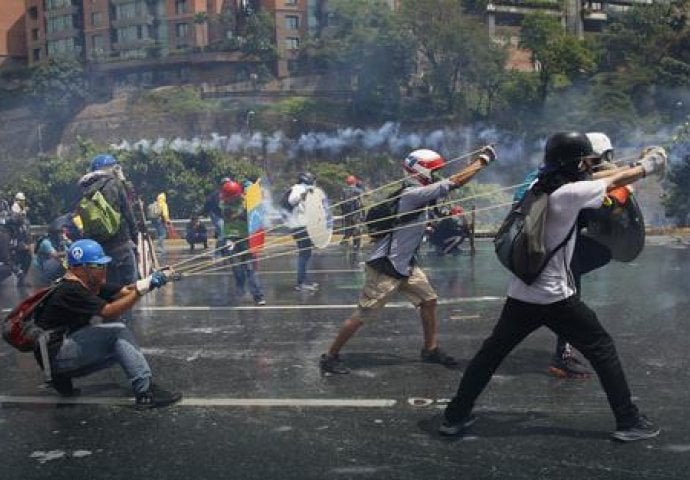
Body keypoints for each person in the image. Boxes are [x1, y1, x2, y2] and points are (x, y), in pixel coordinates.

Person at [440, 132, 665, 442]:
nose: (590, 165)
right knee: (602, 348)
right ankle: (628, 420)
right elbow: (616, 181)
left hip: (521, 291)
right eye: (585, 160)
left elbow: (599, 175)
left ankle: (454, 416)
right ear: (575, 163)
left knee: (490, 355)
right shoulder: (571, 194)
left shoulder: (538, 186)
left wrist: (624, 165)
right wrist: (648, 164)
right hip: (554, 297)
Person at [319, 146, 496, 374]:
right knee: (365, 314)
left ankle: (430, 349)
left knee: (429, 300)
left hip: (406, 265)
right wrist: (482, 161)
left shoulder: (419, 193)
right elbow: (454, 182)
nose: (436, 175)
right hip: (386, 266)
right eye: (434, 171)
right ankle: (330, 356)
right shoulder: (412, 193)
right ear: (421, 170)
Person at [34, 239, 181, 408]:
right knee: (117, 332)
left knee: (120, 347)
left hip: (57, 356)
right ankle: (145, 393)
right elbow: (109, 311)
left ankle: (63, 383)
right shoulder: (71, 290)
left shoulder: (86, 283)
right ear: (83, 268)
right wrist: (142, 290)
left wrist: (151, 281)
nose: (104, 269)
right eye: (99, 266)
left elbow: (124, 291)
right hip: (57, 358)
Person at [78, 154, 139, 325]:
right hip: (120, 243)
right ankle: (125, 326)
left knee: (109, 288)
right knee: (128, 288)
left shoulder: (87, 188)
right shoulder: (115, 183)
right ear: (113, 168)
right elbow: (127, 212)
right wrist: (134, 236)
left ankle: (110, 323)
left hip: (100, 248)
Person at [219, 180, 266, 305]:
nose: (227, 199)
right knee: (237, 269)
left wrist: (254, 196)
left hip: (246, 238)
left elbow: (256, 213)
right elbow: (231, 215)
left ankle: (258, 295)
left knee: (249, 268)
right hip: (231, 239)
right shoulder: (224, 205)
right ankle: (240, 293)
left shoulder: (246, 201)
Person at [285, 172, 320, 291]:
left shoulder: (305, 189)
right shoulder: (298, 188)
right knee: (304, 255)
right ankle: (301, 282)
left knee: (306, 254)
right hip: (300, 226)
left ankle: (304, 280)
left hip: (303, 225)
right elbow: (292, 200)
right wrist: (304, 193)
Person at [33, 217, 69, 285]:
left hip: (50, 267)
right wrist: (69, 252)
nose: (62, 235)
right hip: (41, 269)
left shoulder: (60, 242)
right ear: (54, 233)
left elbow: (68, 250)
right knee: (60, 262)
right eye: (61, 233)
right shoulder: (46, 242)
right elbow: (55, 255)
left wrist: (67, 241)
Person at [8, 192, 32, 286]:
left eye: (23, 200)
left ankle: (22, 278)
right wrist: (22, 213)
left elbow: (26, 229)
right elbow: (15, 221)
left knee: (28, 258)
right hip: (14, 241)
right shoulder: (14, 209)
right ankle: (19, 273)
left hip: (22, 241)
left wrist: (28, 242)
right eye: (20, 200)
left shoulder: (22, 212)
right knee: (11, 260)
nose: (22, 202)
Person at [340, 175, 364, 249]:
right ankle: (356, 246)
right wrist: (363, 214)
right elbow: (362, 203)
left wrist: (343, 213)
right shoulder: (358, 191)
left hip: (347, 214)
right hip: (356, 214)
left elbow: (341, 203)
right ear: (355, 182)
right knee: (357, 231)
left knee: (348, 230)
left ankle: (344, 245)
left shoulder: (344, 191)